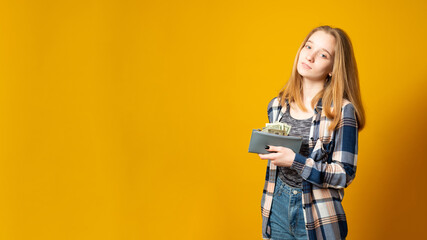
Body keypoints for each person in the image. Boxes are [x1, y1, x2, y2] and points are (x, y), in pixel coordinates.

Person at [258, 25, 365, 240]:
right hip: (276, 204)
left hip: (317, 213)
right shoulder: (277, 106)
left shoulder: (343, 111)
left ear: (333, 68)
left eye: (323, 54)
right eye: (308, 46)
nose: (310, 56)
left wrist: (295, 161)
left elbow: (345, 174)